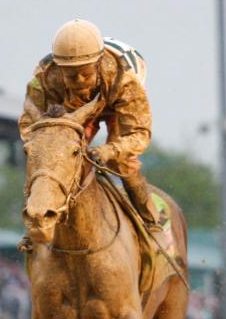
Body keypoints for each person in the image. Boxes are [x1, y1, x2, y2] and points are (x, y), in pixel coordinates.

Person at [17, 19, 157, 251]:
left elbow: (140, 133)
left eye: (85, 74)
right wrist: (47, 146)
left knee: (123, 164)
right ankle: (36, 221)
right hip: (69, 111)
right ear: (59, 71)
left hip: (115, 105)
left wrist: (110, 150)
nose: (79, 81)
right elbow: (30, 127)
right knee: (52, 157)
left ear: (98, 64)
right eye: (71, 76)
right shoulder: (43, 81)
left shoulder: (124, 80)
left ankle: (149, 221)